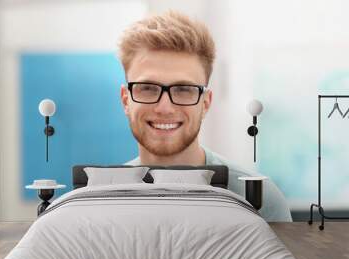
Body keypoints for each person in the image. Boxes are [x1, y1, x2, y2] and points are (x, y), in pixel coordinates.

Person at [117, 11, 292, 222]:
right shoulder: (98, 199)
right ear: (126, 100)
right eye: (147, 88)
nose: (165, 107)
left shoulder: (259, 201)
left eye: (183, 89)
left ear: (206, 102)